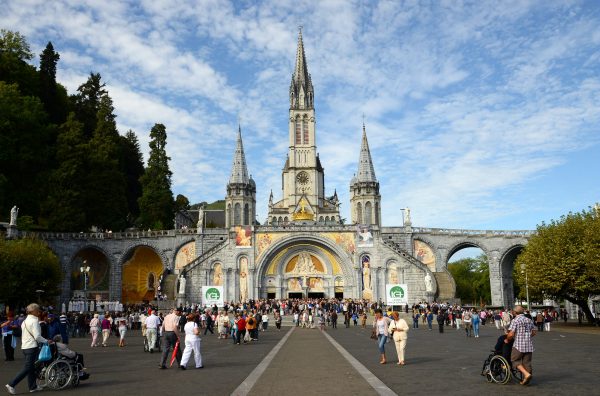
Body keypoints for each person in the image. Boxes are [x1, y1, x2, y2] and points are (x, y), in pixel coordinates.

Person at [5, 303, 50, 394]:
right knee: (28, 368)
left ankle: (33, 387)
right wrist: (46, 341)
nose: (39, 312)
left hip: (25, 346)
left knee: (31, 368)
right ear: (33, 311)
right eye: (38, 310)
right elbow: (37, 336)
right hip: (31, 347)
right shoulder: (34, 321)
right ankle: (11, 384)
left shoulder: (24, 321)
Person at [505, 305, 536, 385]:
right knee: (527, 363)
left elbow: (511, 334)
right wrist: (527, 336)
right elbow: (534, 332)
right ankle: (526, 379)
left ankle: (526, 374)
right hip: (528, 345)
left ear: (515, 312)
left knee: (514, 360)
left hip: (518, 345)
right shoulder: (529, 320)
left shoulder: (515, 320)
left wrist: (507, 339)